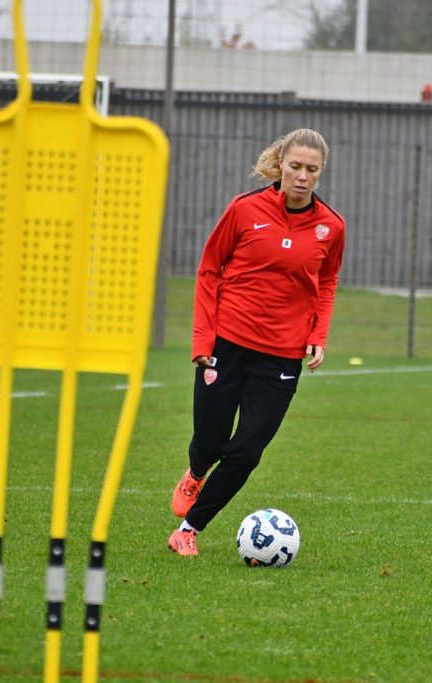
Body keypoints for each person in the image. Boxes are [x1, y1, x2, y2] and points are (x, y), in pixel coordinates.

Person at [167, 128, 346, 556]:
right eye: (295, 166)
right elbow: (209, 268)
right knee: (210, 444)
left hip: (282, 357)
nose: (302, 176)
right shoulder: (244, 209)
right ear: (281, 164)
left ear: (321, 172)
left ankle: (188, 530)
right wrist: (202, 339)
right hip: (227, 345)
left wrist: (318, 335)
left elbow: (327, 281)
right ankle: (196, 472)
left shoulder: (331, 226)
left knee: (247, 452)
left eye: (312, 169)